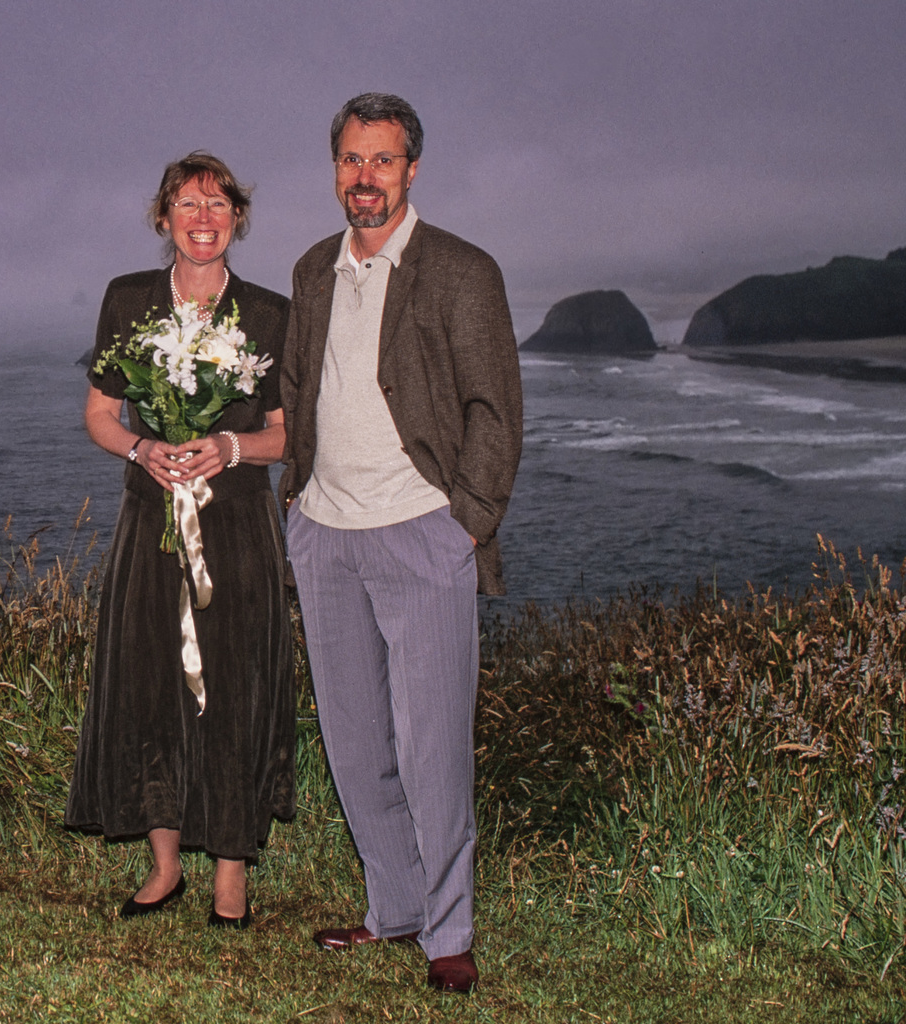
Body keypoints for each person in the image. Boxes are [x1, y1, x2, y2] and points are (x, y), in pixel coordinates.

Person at [280, 94, 523, 993]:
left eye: (382, 161)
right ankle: (395, 909)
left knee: (433, 747)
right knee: (353, 741)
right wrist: (294, 504)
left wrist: (465, 522)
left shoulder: (462, 270)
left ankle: (448, 929)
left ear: (411, 168)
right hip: (325, 536)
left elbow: (494, 411)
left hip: (423, 535)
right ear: (335, 167)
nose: (365, 179)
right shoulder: (314, 270)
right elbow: (301, 389)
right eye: (351, 160)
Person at [65, 152, 295, 928]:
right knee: (150, 684)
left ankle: (231, 875)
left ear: (237, 219)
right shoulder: (127, 300)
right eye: (187, 205)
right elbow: (101, 413)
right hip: (149, 524)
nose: (204, 218)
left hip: (236, 529)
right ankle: (165, 868)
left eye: (218, 205)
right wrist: (143, 449)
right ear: (164, 218)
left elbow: (289, 433)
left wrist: (229, 449)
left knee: (235, 688)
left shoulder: (269, 314)